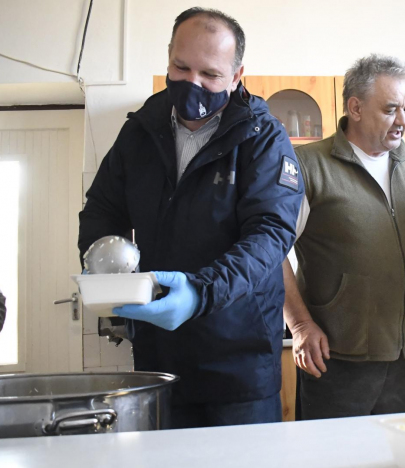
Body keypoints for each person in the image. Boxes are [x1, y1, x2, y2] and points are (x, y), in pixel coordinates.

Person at [78, 7, 303, 427]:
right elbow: (101, 210)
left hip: (239, 368)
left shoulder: (263, 137)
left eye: (210, 74)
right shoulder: (140, 131)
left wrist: (202, 292)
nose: (193, 83)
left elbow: (270, 236)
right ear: (168, 59)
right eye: (181, 67)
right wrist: (101, 266)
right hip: (157, 361)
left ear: (237, 77)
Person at [283, 54, 405, 420]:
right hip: (337, 361)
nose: (402, 120)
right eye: (390, 109)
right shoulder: (308, 165)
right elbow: (270, 252)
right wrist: (300, 324)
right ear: (355, 108)